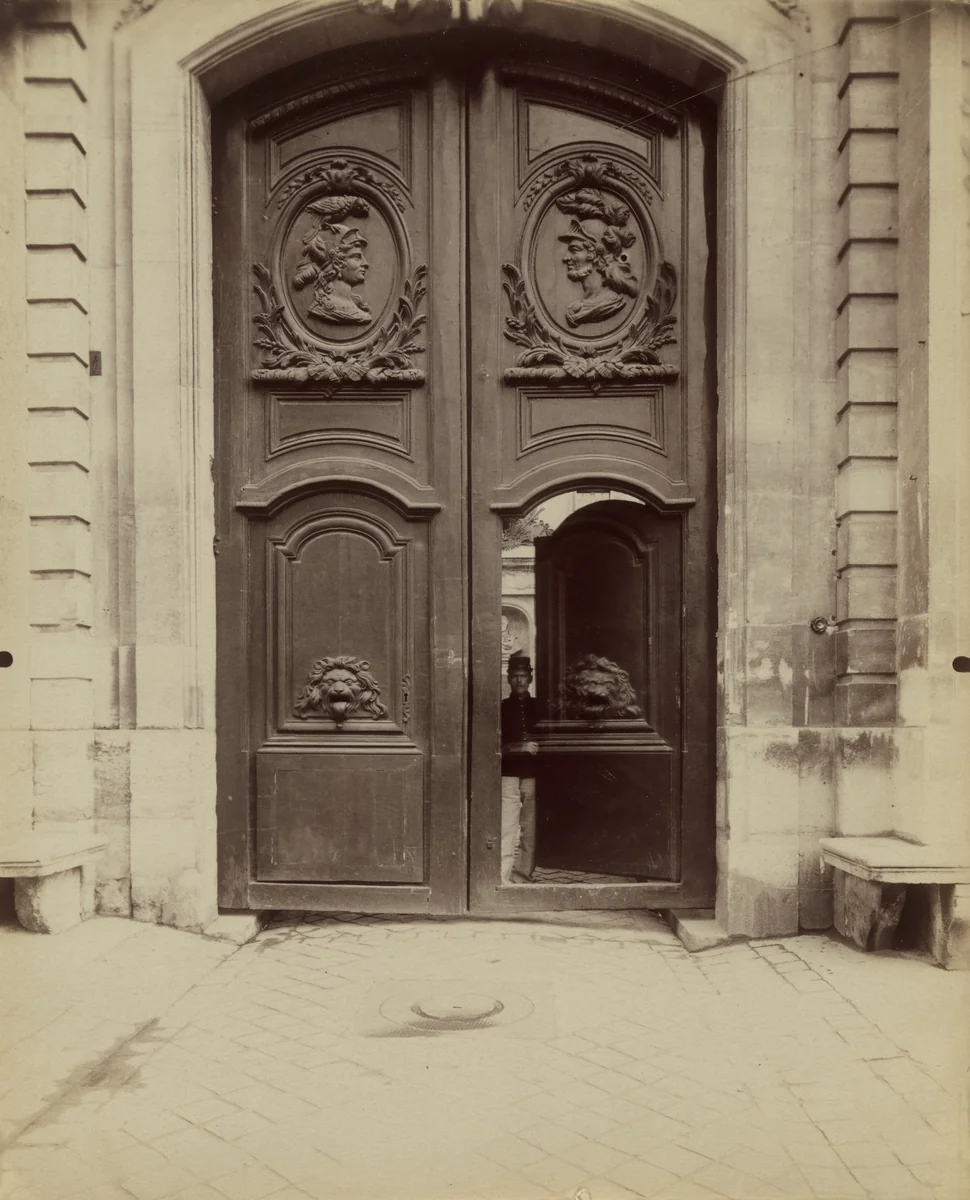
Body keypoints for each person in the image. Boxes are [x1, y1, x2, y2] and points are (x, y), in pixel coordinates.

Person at [500, 654, 540, 882]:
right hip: (508, 775)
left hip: (533, 775)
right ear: (508, 679)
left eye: (523, 676)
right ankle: (502, 877)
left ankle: (522, 876)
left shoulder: (540, 707)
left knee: (530, 830)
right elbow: (492, 745)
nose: (519, 681)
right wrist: (518, 746)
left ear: (530, 678)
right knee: (507, 827)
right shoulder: (502, 708)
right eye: (514, 676)